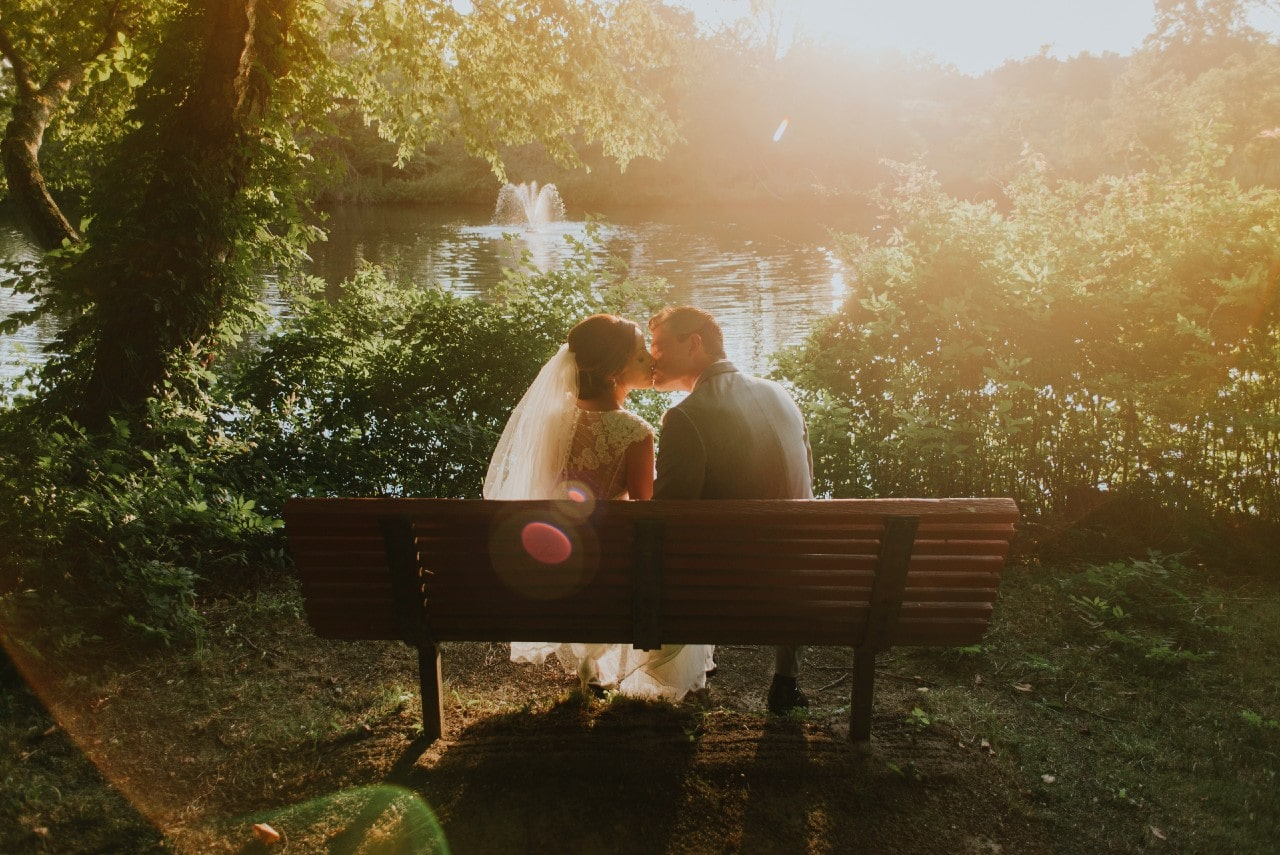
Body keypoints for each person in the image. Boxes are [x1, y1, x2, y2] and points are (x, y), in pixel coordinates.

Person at [483, 313, 711, 701]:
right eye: (641, 357)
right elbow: (645, 509)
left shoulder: (552, 420)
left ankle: (591, 668)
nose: (652, 362)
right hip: (612, 569)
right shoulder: (636, 432)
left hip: (558, 565)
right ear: (612, 371)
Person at [648, 305, 815, 714]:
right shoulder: (781, 394)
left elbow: (666, 518)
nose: (653, 357)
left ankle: (678, 671)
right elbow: (802, 482)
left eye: (659, 345)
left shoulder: (686, 415)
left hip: (734, 585)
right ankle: (786, 678)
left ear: (694, 344)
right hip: (803, 579)